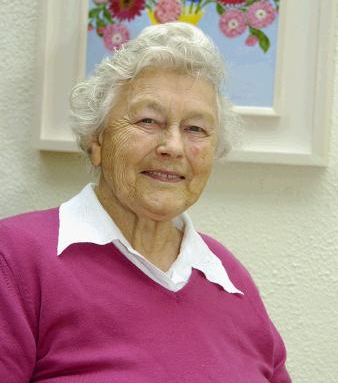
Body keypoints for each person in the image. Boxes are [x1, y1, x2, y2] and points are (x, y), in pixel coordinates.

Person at [0, 22, 291, 382]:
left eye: (195, 129)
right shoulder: (15, 259)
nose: (173, 146)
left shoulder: (229, 278)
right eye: (149, 120)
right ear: (97, 141)